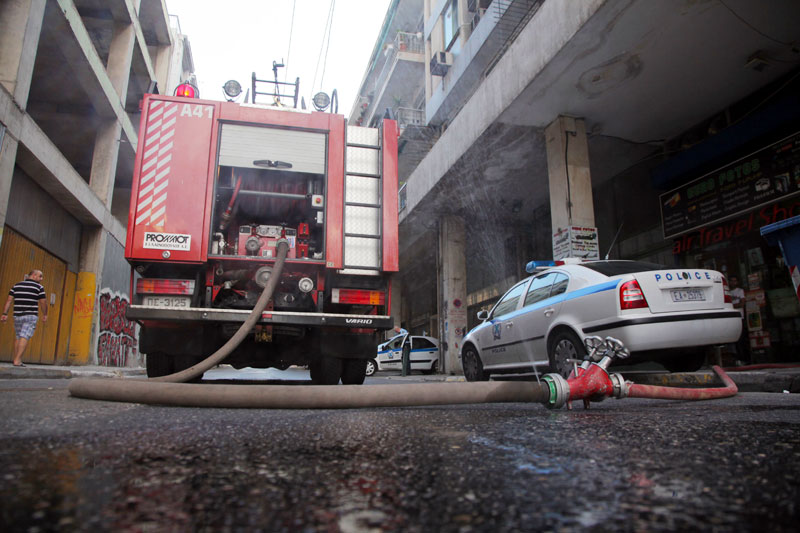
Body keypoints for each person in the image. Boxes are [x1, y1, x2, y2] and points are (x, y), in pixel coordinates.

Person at [1, 270, 47, 367]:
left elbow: (9, 300)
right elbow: (43, 302)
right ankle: (17, 360)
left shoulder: (16, 286)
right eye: (40, 276)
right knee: (25, 336)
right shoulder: (39, 287)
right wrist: (45, 314)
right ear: (34, 275)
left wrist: (5, 313)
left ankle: (17, 359)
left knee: (18, 336)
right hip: (30, 315)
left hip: (17, 315)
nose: (41, 279)